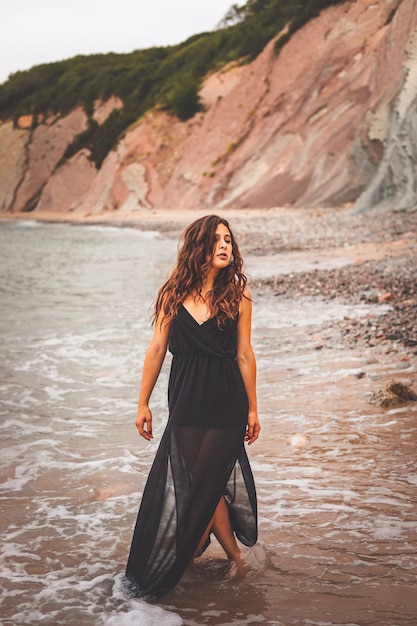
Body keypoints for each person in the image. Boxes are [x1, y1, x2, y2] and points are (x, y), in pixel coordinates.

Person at [125, 214, 260, 598]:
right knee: (193, 482)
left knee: (209, 479)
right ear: (198, 246)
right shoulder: (172, 294)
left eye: (228, 241)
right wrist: (142, 402)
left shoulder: (239, 297)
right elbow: (156, 349)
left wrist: (252, 409)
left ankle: (209, 559)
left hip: (226, 401)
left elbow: (245, 355)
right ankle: (220, 556)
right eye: (217, 240)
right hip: (184, 400)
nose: (224, 246)